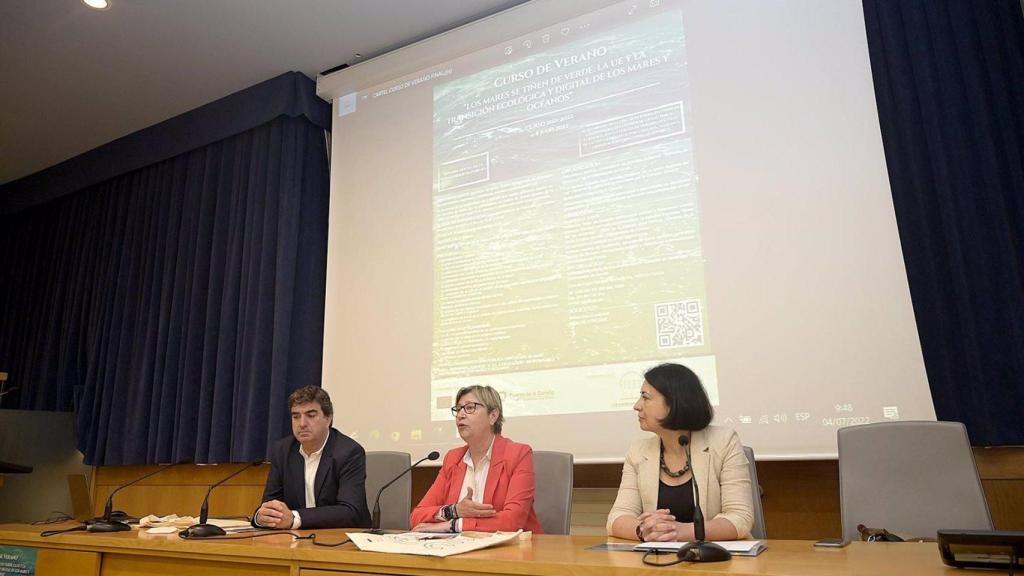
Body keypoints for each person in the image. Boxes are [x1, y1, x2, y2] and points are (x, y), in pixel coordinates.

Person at [607, 363, 753, 542]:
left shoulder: (723, 442)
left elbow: (740, 518)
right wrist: (644, 530)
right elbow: (617, 517)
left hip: (717, 556)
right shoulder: (638, 451)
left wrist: (680, 532)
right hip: (658, 557)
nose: (637, 406)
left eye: (645, 397)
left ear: (674, 402)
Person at [409, 385, 543, 533]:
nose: (460, 415)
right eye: (458, 409)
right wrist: (454, 510)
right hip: (457, 545)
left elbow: (513, 521)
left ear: (493, 416)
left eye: (470, 408)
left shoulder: (518, 454)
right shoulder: (453, 459)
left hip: (512, 546)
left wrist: (454, 525)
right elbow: (416, 517)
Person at [253, 385, 371, 530]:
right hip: (297, 538)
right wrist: (261, 517)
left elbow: (350, 512)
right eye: (296, 416)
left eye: (311, 415)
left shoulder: (348, 452)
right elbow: (271, 503)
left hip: (342, 536)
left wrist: (295, 518)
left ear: (328, 419)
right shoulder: (283, 450)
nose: (302, 424)